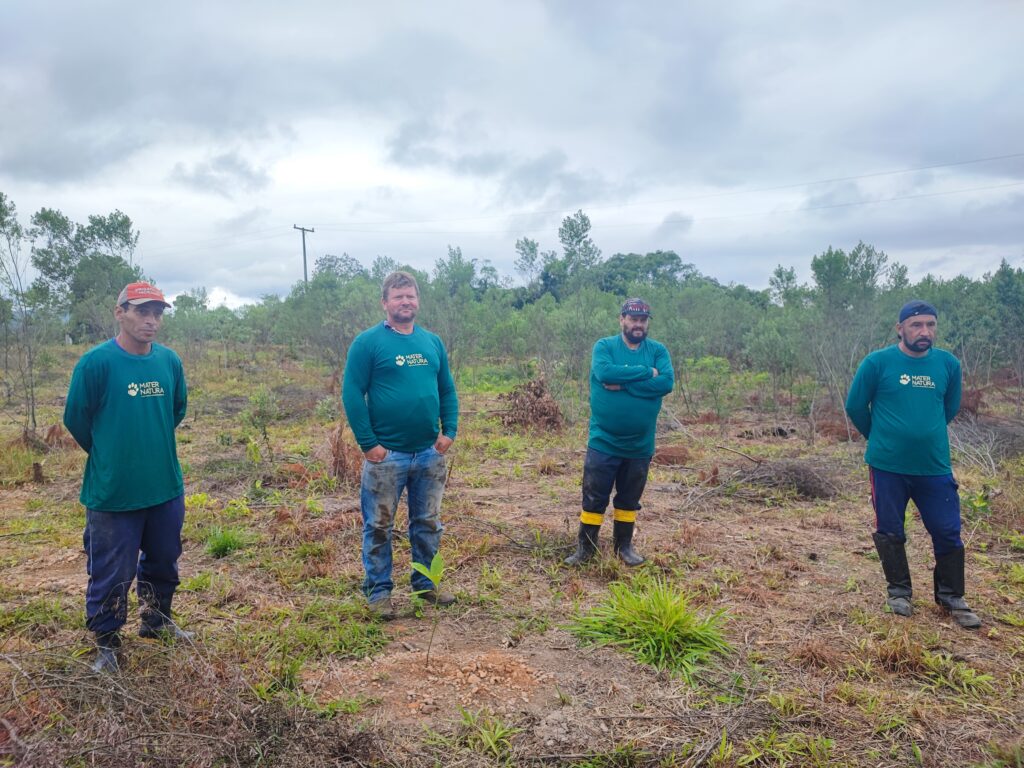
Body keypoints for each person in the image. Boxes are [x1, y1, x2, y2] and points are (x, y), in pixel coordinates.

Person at [63, 281, 190, 673]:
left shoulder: (169, 362)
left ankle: (157, 621)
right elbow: (76, 420)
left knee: (165, 560)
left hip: (164, 487)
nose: (151, 320)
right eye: (141, 311)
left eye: (157, 313)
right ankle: (107, 642)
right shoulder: (96, 363)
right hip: (114, 492)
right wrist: (112, 455)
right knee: (111, 569)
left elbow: (176, 410)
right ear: (120, 312)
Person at [845, 300, 980, 629]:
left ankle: (951, 596)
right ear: (900, 328)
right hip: (887, 466)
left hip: (934, 466)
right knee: (890, 530)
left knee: (947, 530)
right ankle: (899, 592)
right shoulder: (878, 363)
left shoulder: (948, 365)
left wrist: (921, 433)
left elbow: (948, 410)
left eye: (930, 325)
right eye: (917, 325)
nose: (924, 331)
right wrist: (881, 438)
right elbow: (855, 406)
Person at [342, 271, 459, 620]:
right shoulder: (368, 343)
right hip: (386, 455)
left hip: (428, 453)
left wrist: (448, 430)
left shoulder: (432, 342)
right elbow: (352, 393)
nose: (405, 302)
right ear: (385, 302)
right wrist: (368, 444)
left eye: (410, 296)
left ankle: (426, 584)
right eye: (398, 297)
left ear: (418, 300)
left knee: (427, 522)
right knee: (378, 525)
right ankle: (379, 591)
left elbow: (447, 389)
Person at [566, 298, 674, 567]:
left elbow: (666, 382)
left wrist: (625, 385)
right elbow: (604, 373)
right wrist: (646, 373)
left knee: (629, 499)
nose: (638, 324)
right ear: (622, 319)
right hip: (604, 440)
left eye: (643, 319)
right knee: (594, 496)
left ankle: (623, 547)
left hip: (640, 444)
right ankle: (586, 548)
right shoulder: (605, 347)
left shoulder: (658, 350)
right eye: (633, 319)